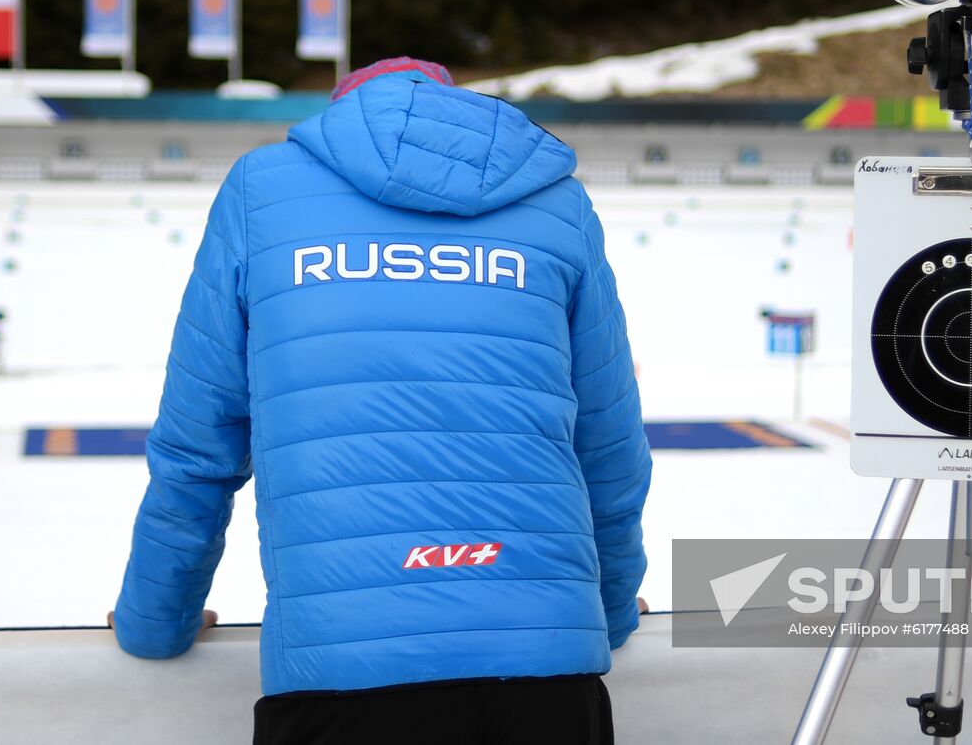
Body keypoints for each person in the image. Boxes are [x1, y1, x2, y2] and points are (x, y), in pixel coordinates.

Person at [109, 57, 652, 744]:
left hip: (339, 675)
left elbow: (199, 445)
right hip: (543, 678)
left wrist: (157, 621)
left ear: (341, 113)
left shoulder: (261, 190)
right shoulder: (556, 204)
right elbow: (609, 450)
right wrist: (607, 612)